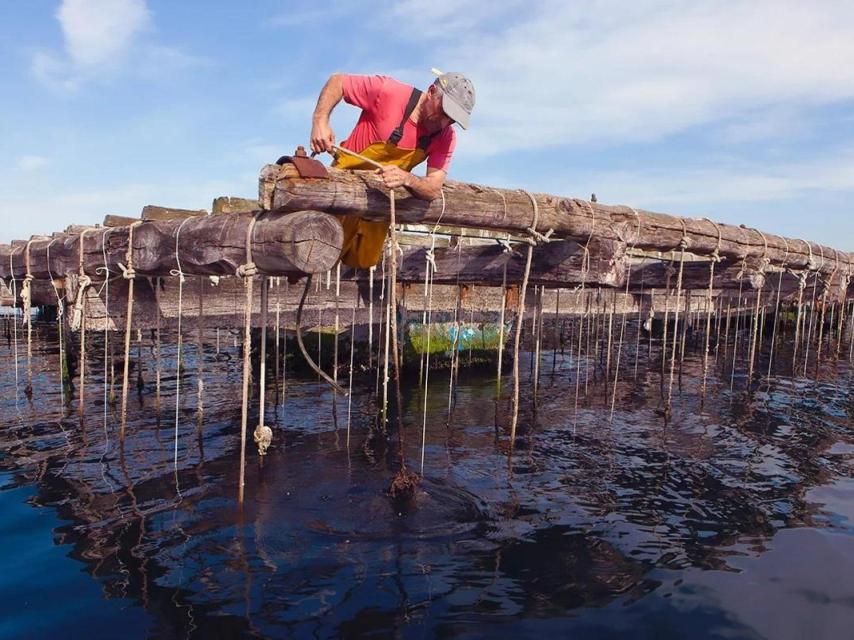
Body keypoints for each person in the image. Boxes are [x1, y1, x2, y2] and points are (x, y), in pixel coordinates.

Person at [309, 70, 475, 268]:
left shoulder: (446, 137)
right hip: (342, 191)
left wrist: (408, 179)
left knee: (363, 260)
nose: (445, 122)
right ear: (431, 92)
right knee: (314, 250)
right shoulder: (388, 92)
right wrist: (320, 122)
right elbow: (338, 82)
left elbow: (433, 188)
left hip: (378, 206)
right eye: (445, 112)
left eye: (453, 118)